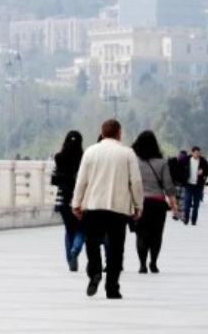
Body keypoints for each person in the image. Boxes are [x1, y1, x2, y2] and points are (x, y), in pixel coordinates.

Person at [72, 119, 143, 300]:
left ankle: (94, 271)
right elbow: (135, 181)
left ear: (102, 133)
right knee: (116, 248)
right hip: (118, 208)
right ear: (119, 133)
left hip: (94, 206)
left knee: (92, 242)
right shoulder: (127, 153)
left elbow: (81, 181)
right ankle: (112, 288)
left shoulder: (90, 152)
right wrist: (138, 205)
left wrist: (76, 203)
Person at [130, 130, 178, 274]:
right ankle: (153, 263)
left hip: (139, 203)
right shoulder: (162, 163)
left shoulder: (134, 162)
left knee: (141, 234)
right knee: (156, 234)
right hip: (157, 204)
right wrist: (174, 205)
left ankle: (142, 265)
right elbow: (168, 185)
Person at [52, 130, 85, 272]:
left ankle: (70, 259)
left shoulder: (59, 157)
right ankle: (75, 249)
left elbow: (54, 179)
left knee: (69, 229)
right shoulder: (84, 157)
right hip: (80, 197)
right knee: (81, 228)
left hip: (63, 198)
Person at [181, 146, 208, 225]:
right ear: (192, 152)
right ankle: (186, 218)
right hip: (188, 185)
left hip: (198, 186)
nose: (198, 155)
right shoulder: (186, 160)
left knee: (196, 204)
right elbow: (180, 168)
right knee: (187, 202)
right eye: (196, 153)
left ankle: (194, 220)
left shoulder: (202, 160)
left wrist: (203, 171)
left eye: (199, 153)